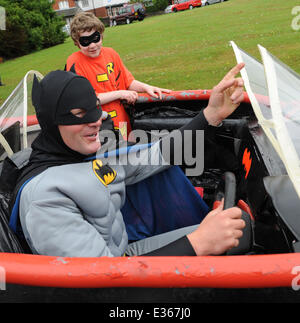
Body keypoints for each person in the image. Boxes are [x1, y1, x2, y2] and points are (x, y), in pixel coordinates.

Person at [11, 62, 246, 258]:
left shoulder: (84, 154)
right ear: (53, 122)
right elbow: (101, 287)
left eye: (95, 108)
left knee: (241, 228)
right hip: (116, 275)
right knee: (237, 242)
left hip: (123, 255)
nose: (96, 121)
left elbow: (158, 155)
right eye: (80, 115)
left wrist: (211, 114)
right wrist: (199, 243)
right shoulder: (44, 200)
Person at [66, 12, 171, 138]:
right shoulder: (74, 62)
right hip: (98, 127)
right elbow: (87, 100)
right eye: (85, 41)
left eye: (95, 38)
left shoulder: (111, 54)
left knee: (128, 149)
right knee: (110, 154)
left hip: (122, 121)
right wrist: (121, 93)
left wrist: (147, 87)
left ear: (101, 35)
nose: (92, 45)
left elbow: (128, 81)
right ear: (77, 43)